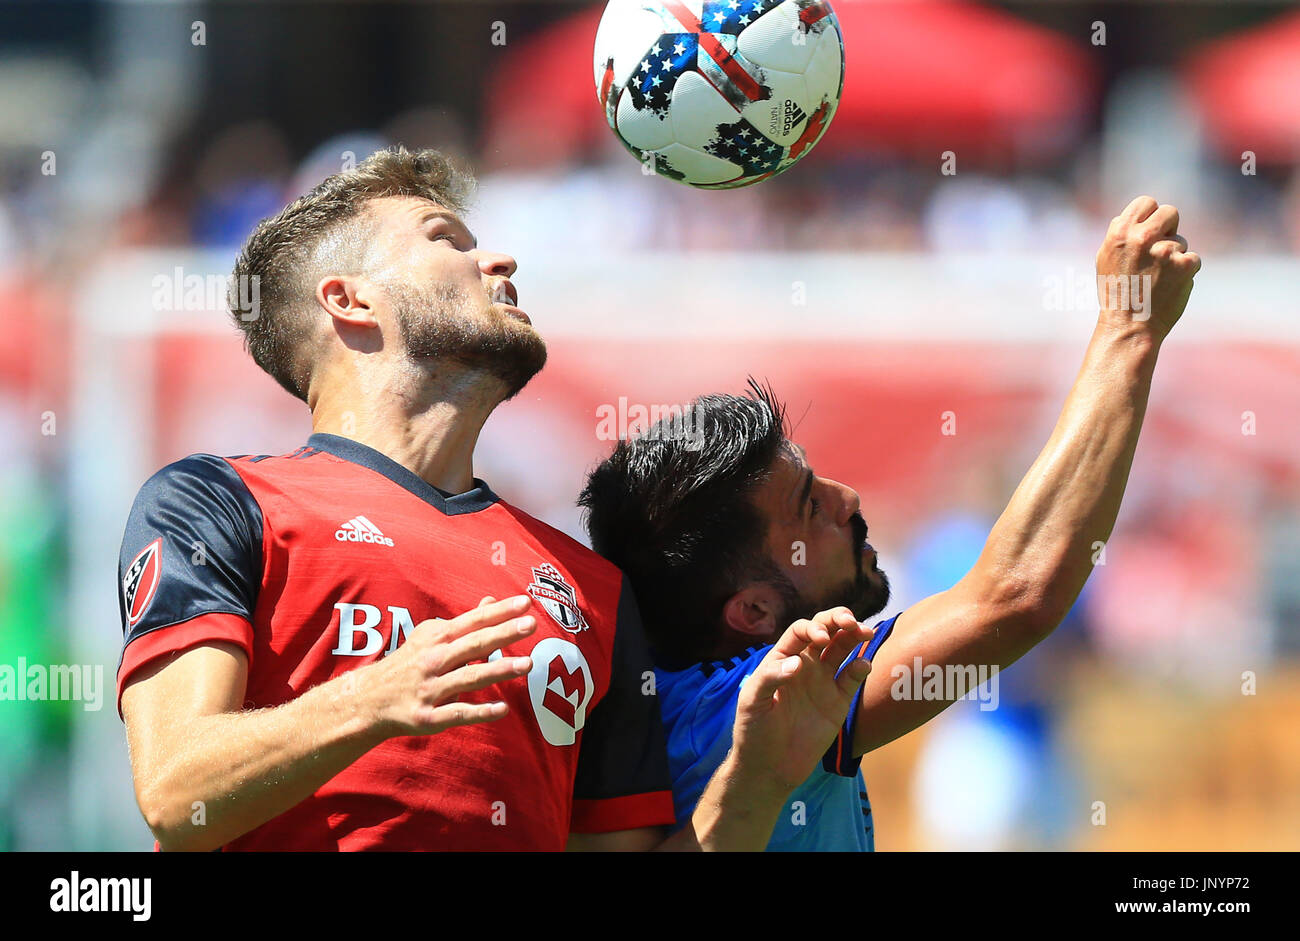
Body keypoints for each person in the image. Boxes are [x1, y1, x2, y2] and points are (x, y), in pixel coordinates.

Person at [116, 146, 873, 851]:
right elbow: (178, 790)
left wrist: (757, 782)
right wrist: (372, 698)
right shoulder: (220, 501)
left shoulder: (591, 590)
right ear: (349, 300)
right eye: (447, 239)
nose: (500, 259)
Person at [580, 196, 1201, 850]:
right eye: (809, 508)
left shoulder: (651, 711)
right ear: (755, 609)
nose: (846, 498)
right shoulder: (767, 697)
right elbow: (1014, 596)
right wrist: (1128, 327)